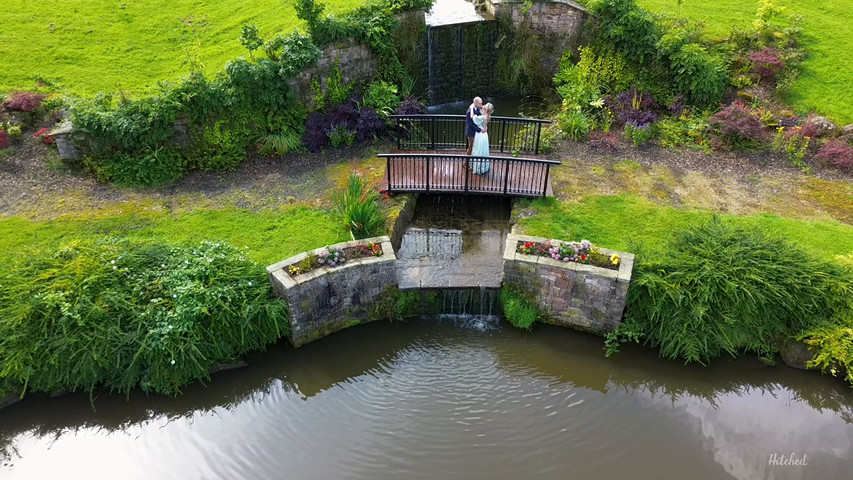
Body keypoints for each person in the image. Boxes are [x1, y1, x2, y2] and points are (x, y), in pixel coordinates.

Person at [470, 103, 493, 174]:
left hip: (480, 134)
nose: (483, 106)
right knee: (483, 150)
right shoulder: (488, 116)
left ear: (486, 109)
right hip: (484, 134)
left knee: (478, 149)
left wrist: (471, 108)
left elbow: (473, 117)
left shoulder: (483, 117)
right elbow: (482, 110)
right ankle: (482, 166)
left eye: (485, 106)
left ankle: (478, 167)